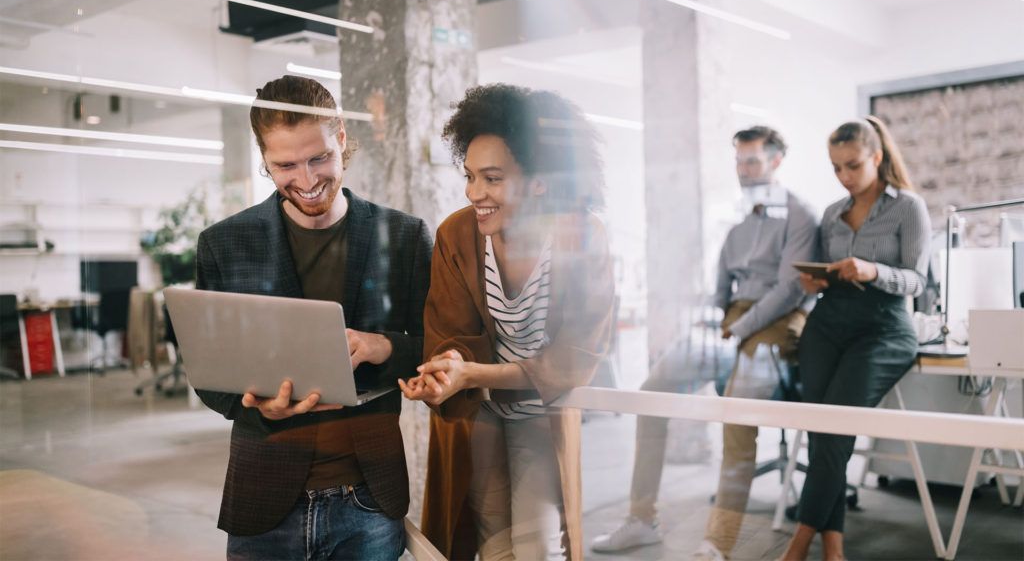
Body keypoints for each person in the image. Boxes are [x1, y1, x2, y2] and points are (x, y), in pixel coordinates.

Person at [193, 75, 432, 561]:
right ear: (263, 159)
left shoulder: (404, 237)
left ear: (341, 138)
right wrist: (256, 405)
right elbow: (209, 374)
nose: (306, 180)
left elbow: (437, 349)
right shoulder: (224, 244)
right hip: (265, 497)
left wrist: (385, 347)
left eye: (319, 157)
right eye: (285, 165)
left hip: (367, 497)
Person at [398, 84, 615, 560]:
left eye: (492, 178)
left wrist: (471, 374)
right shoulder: (456, 235)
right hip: (481, 418)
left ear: (538, 179)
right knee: (494, 547)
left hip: (540, 418)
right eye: (470, 176)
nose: (475, 193)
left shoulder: (581, 238)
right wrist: (448, 366)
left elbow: (575, 357)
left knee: (536, 547)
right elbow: (448, 333)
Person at [592, 126, 819, 560]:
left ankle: (719, 543)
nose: (743, 170)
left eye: (752, 161)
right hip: (733, 321)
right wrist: (709, 323)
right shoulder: (740, 219)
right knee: (651, 393)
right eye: (738, 161)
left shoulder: (799, 215)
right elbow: (721, 286)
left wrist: (737, 326)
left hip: (780, 322)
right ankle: (642, 518)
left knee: (737, 415)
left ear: (775, 162)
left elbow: (790, 290)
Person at [780, 116, 930, 561]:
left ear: (877, 157)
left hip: (882, 328)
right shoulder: (831, 214)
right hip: (828, 324)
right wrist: (817, 282)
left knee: (836, 431)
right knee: (823, 433)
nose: (844, 176)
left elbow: (917, 281)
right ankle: (834, 546)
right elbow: (830, 273)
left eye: (852, 165)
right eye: (835, 168)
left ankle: (799, 542)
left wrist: (873, 270)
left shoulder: (908, 207)